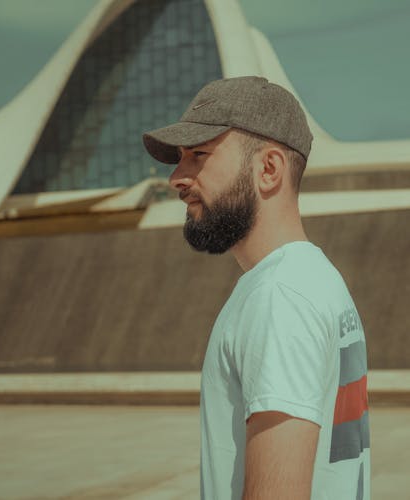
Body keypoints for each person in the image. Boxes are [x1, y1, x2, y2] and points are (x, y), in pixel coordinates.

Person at [142, 76, 370, 500]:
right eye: (179, 158)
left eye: (199, 155)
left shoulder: (279, 298)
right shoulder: (316, 279)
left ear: (268, 169)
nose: (177, 177)